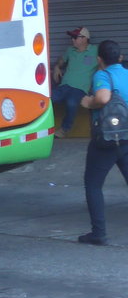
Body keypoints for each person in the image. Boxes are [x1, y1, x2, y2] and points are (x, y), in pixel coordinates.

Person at [77, 39, 128, 245]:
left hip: (106, 140)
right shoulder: (126, 72)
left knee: (93, 185)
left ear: (99, 60)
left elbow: (103, 97)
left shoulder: (102, 74)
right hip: (127, 137)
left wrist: (88, 102)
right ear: (121, 58)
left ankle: (98, 233)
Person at [52, 26, 98, 138]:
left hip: (80, 89)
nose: (72, 40)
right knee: (47, 99)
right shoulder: (70, 50)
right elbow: (61, 60)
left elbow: (105, 63)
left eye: (75, 37)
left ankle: (64, 129)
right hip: (64, 86)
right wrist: (57, 66)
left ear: (85, 38)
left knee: (71, 103)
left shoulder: (95, 50)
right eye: (72, 37)